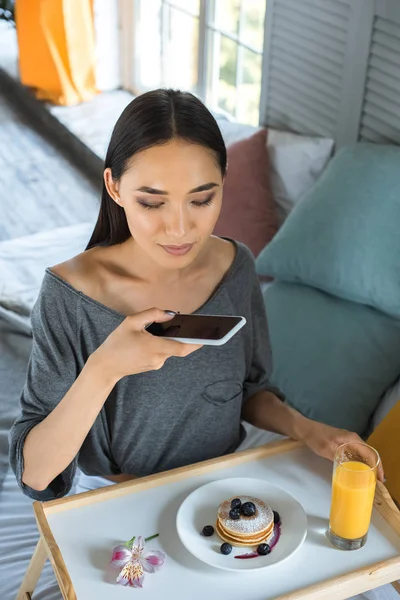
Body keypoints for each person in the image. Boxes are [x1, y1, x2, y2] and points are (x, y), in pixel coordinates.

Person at [9, 89, 383, 502]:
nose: (180, 229)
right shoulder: (70, 296)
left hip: (222, 486)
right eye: (152, 203)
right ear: (114, 187)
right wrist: (104, 368)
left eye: (202, 199)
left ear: (224, 181)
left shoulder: (234, 266)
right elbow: (38, 475)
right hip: (118, 501)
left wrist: (311, 430)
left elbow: (249, 390)